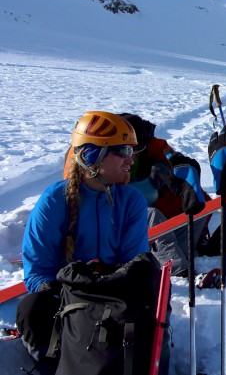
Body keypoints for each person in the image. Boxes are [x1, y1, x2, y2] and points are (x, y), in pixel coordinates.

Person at [16, 111, 152, 373]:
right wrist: (64, 294)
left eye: (132, 151)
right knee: (31, 309)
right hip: (66, 297)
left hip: (115, 295)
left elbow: (134, 262)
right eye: (122, 150)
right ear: (92, 156)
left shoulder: (131, 201)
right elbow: (37, 268)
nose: (130, 159)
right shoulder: (55, 200)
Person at [118, 113, 208, 276]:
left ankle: (174, 259)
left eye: (138, 149)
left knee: (198, 209)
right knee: (152, 216)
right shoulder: (102, 156)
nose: (133, 156)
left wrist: (164, 171)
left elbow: (171, 161)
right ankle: (179, 270)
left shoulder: (153, 146)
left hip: (145, 221)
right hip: (116, 220)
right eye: (129, 150)